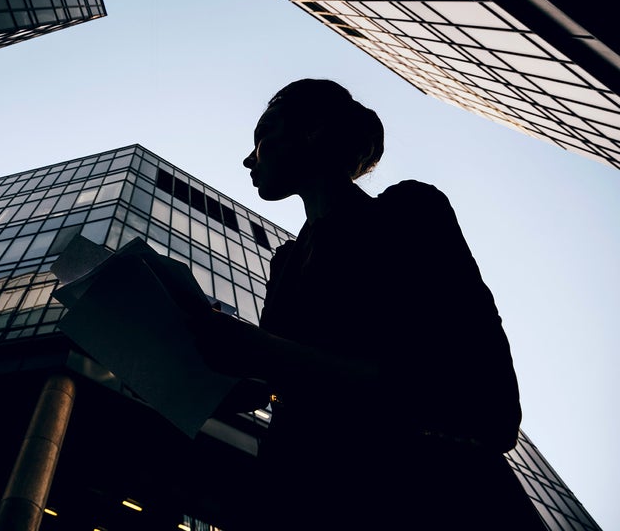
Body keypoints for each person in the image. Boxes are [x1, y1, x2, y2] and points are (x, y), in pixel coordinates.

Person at [184, 78, 546, 530]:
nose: (248, 158)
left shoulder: (409, 214)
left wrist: (265, 353)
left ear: (313, 131)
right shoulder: (285, 264)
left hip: (427, 499)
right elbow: (270, 381)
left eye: (263, 137)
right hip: (303, 501)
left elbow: (486, 407)